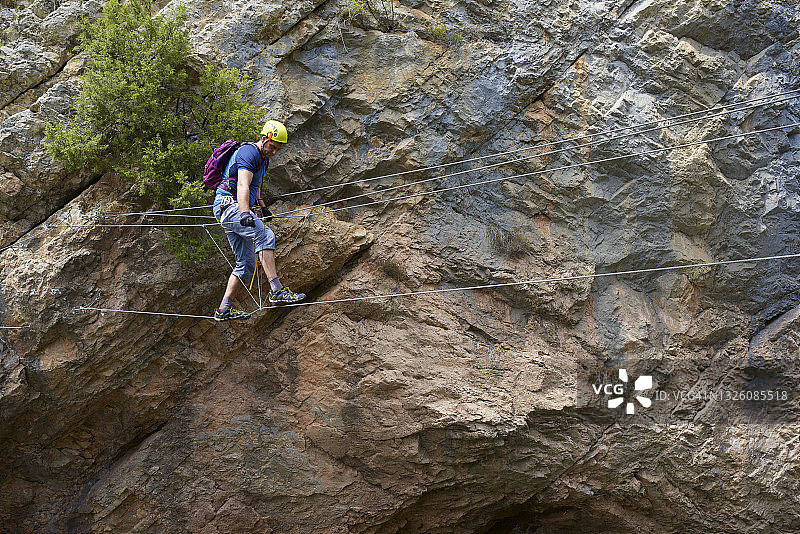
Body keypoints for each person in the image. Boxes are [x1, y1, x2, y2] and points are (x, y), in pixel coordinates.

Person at [212, 120, 306, 321]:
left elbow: (256, 186)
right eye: (272, 147)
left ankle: (223, 309)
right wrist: (245, 212)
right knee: (265, 235)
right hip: (229, 205)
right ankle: (276, 290)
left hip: (232, 207)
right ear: (264, 139)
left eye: (277, 149)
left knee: (245, 264)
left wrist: (263, 207)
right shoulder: (249, 152)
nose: (274, 152)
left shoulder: (263, 159)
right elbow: (243, 185)